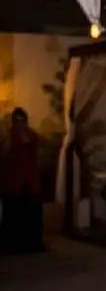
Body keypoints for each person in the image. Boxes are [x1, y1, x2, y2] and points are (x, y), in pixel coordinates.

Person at [0, 108, 44, 253]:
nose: (20, 123)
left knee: (31, 213)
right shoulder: (9, 136)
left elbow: (38, 154)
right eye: (17, 121)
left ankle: (32, 244)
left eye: (22, 120)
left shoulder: (32, 135)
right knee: (13, 214)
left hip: (30, 181)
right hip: (14, 182)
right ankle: (14, 245)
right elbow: (4, 156)